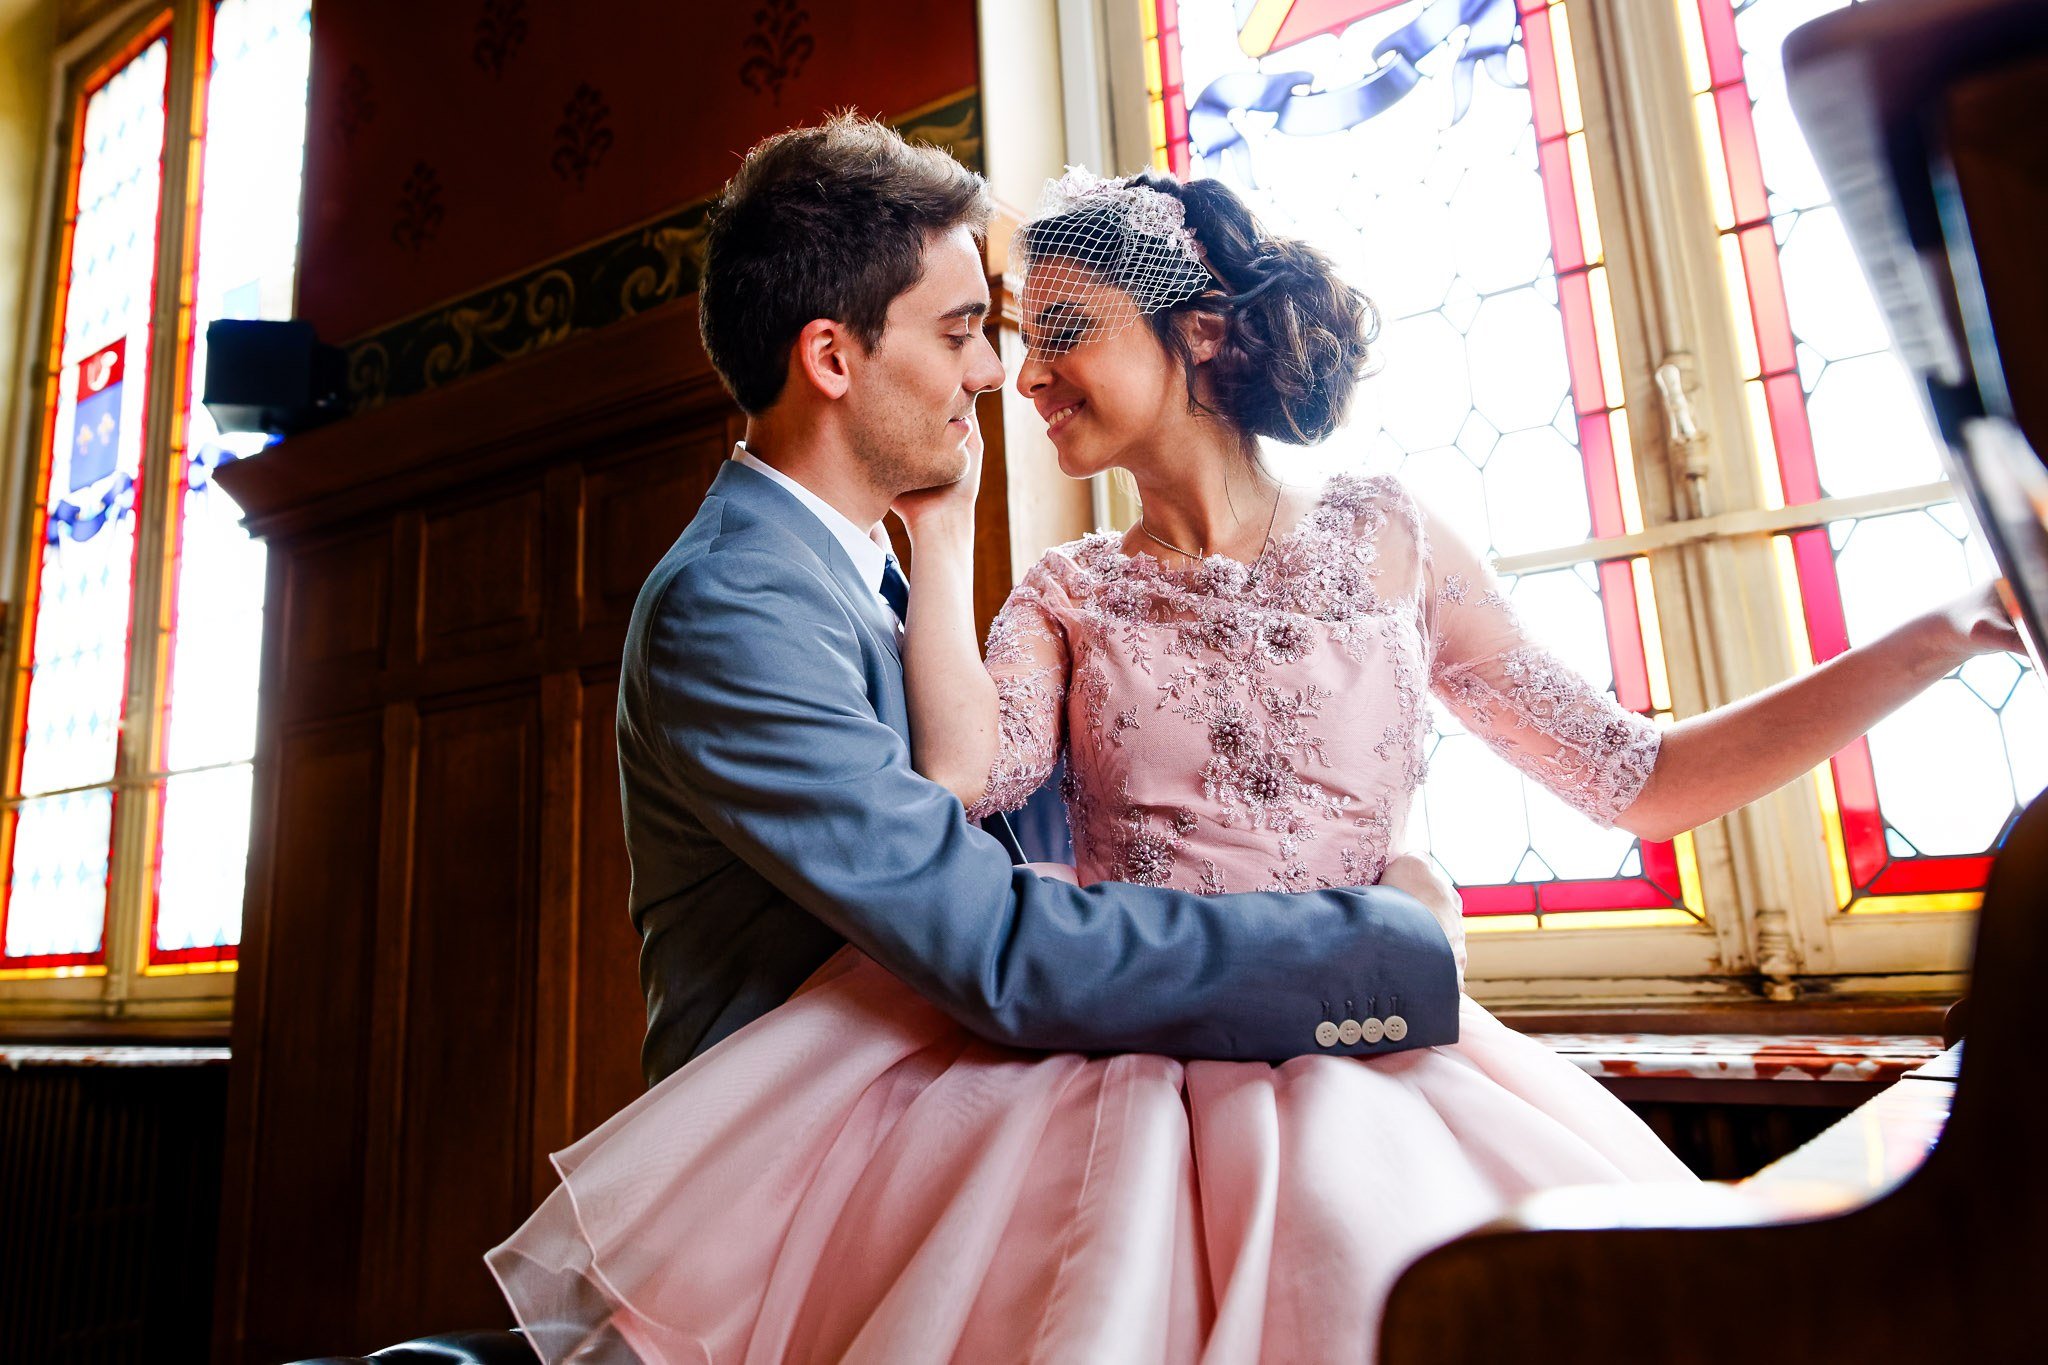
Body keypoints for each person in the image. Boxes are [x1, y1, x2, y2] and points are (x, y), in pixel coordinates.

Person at [487, 116, 1461, 1364]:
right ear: (831, 358)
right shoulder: (733, 606)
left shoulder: (867, 580)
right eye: (959, 333)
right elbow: (994, 943)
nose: (996, 373)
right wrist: (1370, 940)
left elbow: (1029, 826)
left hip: (954, 1112)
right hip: (794, 1185)